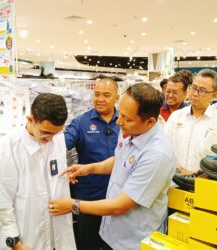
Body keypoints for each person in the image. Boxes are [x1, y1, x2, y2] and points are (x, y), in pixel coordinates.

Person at [49, 83, 176, 250]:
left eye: (127, 118)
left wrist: (73, 205)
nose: (119, 122)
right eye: (120, 114)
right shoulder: (130, 132)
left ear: (150, 121)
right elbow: (121, 159)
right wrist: (89, 168)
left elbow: (121, 205)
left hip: (134, 241)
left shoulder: (157, 155)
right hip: (112, 233)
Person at [0, 93, 76, 250]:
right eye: (45, 132)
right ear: (30, 119)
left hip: (58, 235)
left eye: (55, 133)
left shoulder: (57, 140)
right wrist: (15, 243)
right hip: (25, 238)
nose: (50, 138)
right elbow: (0, 201)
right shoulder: (7, 148)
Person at [64, 78, 119, 250]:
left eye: (106, 95)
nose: (100, 99)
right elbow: (62, 145)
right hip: (89, 197)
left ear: (117, 97)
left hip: (119, 197)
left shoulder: (126, 121)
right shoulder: (81, 122)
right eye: (96, 94)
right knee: (88, 244)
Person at [164, 69, 217, 173]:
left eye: (202, 90)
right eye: (193, 88)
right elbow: (165, 148)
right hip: (173, 181)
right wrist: (181, 171)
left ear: (214, 95)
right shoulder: (176, 117)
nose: (195, 94)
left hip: (204, 184)